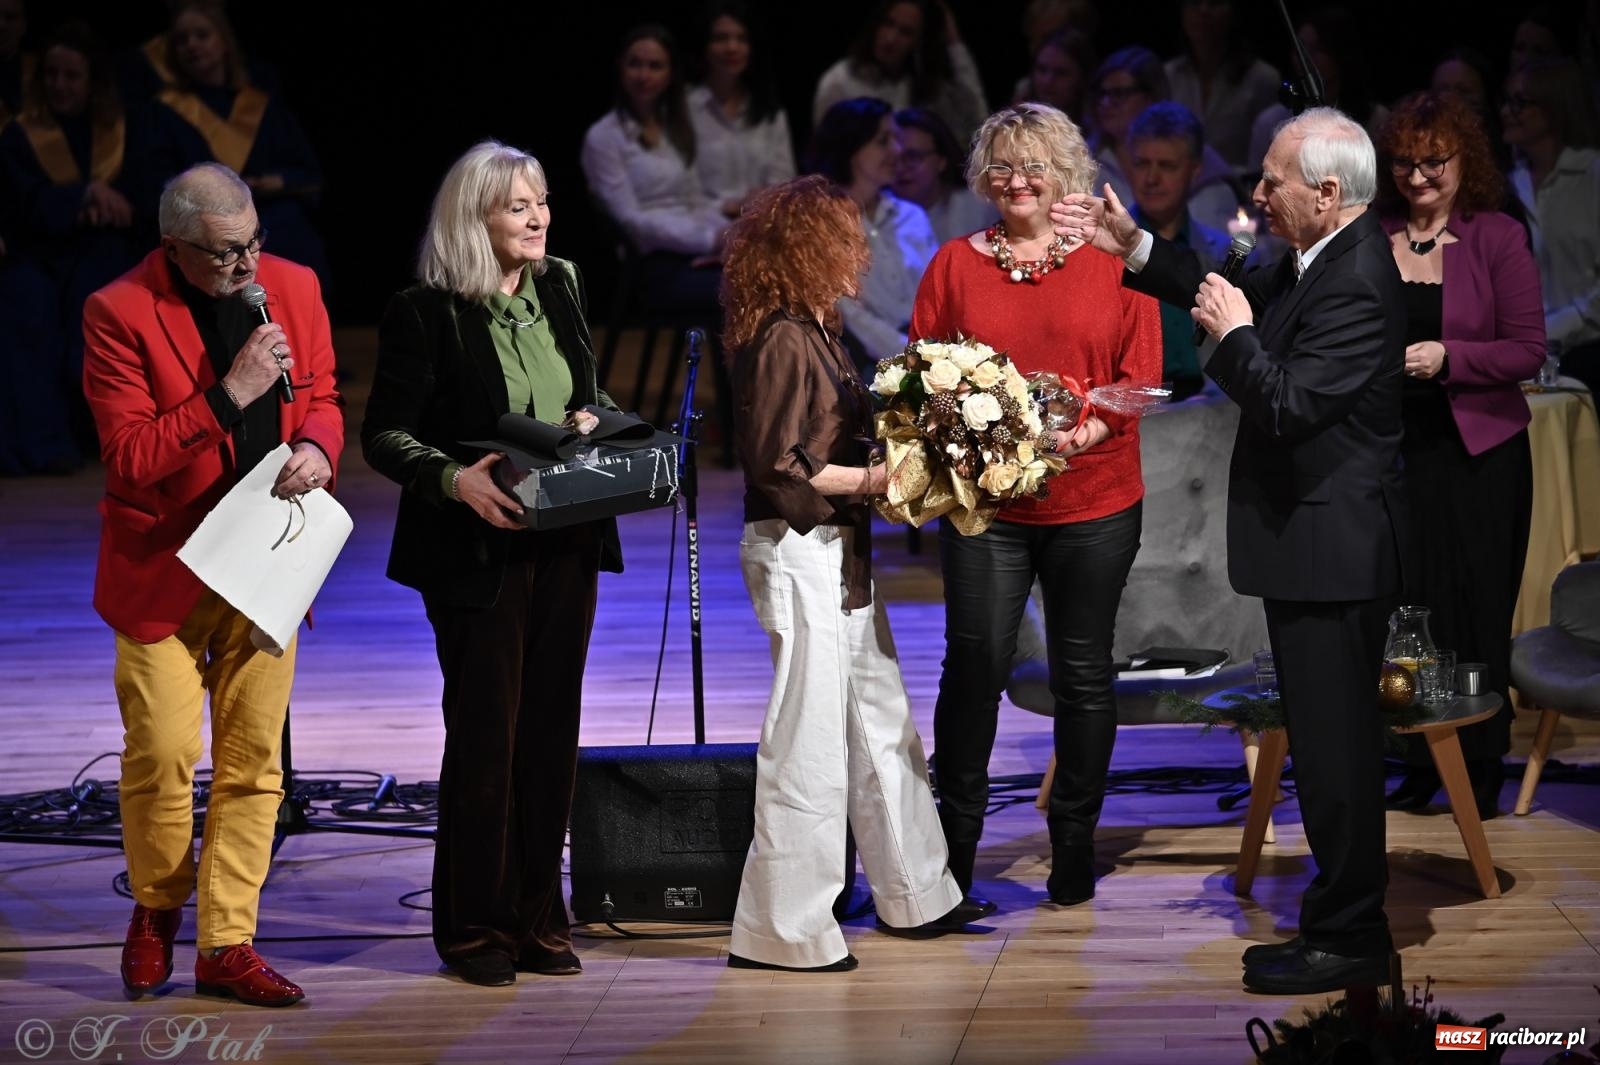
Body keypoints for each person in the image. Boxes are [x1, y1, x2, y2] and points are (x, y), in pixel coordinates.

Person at [1054, 107, 1407, 995]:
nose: (1256, 193)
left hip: (1335, 553)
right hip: (1306, 550)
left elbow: (1286, 405)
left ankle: (1354, 936)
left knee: (1338, 757)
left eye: (1273, 180)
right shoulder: (1309, 256)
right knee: (1324, 751)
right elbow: (1215, 278)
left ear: (1328, 194)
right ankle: (1337, 920)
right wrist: (1130, 246)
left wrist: (1238, 334)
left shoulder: (1359, 279)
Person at [81, 162, 342, 1006]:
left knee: (253, 761)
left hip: (266, 560)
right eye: (225, 254)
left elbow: (327, 397)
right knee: (161, 752)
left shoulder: (293, 286)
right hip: (165, 562)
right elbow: (130, 461)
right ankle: (157, 905)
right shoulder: (118, 311)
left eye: (253, 243)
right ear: (174, 247)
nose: (246, 267)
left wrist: (320, 449)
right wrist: (231, 393)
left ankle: (228, 940)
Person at [362, 140, 620, 989]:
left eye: (542, 200)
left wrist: (603, 421)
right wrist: (452, 478)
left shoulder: (563, 285)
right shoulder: (425, 310)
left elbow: (589, 391)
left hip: (567, 537)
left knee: (551, 733)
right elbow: (386, 435)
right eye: (517, 205)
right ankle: (476, 926)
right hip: (478, 547)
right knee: (486, 738)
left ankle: (542, 918)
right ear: (476, 219)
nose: (539, 216)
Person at [724, 174, 989, 973]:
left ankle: (919, 891)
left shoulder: (818, 329)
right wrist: (883, 482)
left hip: (836, 553)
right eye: (845, 241)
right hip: (798, 546)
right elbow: (781, 467)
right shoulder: (779, 337)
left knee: (877, 722)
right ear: (808, 250)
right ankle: (784, 928)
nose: (860, 255)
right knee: (806, 741)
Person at [911, 103, 1162, 910]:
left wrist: (1084, 432)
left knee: (1083, 673)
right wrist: (971, 441)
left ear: (1067, 174)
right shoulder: (954, 263)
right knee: (974, 662)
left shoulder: (1115, 257)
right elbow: (923, 371)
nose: (1017, 181)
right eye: (1001, 166)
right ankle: (953, 851)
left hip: (1094, 497)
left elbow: (1145, 377)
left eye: (1035, 165)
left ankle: (1074, 847)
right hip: (988, 505)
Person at [1374, 93, 1546, 820]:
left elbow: (1527, 350)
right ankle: (1415, 755)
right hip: (1396, 452)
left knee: (1475, 606)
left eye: (1434, 163)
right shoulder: (1372, 233)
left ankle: (1480, 762)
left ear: (1463, 160)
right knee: (1408, 611)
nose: (1419, 177)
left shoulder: (1498, 236)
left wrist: (1450, 357)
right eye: (1406, 163)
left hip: (1480, 453)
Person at [0, 20, 143, 473]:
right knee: (27, 304)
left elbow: (141, 197)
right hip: (37, 254)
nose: (59, 85)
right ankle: (42, 446)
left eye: (71, 76)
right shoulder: (22, 135)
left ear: (93, 81)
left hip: (101, 253)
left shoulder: (124, 129)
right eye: (51, 75)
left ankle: (103, 438)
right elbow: (16, 205)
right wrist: (81, 197)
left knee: (102, 302)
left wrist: (104, 203)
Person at [145, 1, 327, 286]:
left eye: (202, 35)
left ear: (224, 41)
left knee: (293, 235)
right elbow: (158, 183)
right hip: (205, 224)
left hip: (270, 212)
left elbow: (305, 170)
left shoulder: (261, 104)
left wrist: (274, 182)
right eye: (182, 40)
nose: (191, 45)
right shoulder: (165, 112)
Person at [805, 97, 939, 369]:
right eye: (883, 141)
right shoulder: (822, 223)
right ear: (851, 148)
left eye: (896, 139)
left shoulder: (912, 215)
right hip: (868, 365)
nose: (897, 150)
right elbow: (850, 315)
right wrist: (911, 358)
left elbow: (939, 293)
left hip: (931, 355)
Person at [1124, 101, 1241, 396]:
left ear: (1195, 171)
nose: (1151, 179)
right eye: (1142, 164)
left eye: (1167, 166)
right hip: (1133, 404)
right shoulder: (1107, 251)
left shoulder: (1221, 252)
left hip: (1208, 406)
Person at [1503, 57, 1600, 395]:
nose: (1506, 112)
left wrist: (1560, 324)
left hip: (1589, 348)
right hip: (1525, 351)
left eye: (1521, 102)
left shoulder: (1592, 175)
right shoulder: (1508, 184)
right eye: (1507, 100)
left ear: (1555, 108)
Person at [1086, 47, 1239, 234]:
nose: (1106, 103)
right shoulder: (1086, 160)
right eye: (1102, 94)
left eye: (1120, 94)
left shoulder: (1202, 165)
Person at [812, 0, 988, 143]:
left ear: (919, 42)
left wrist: (954, 42)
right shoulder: (840, 81)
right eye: (888, 24)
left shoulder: (919, 86)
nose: (891, 39)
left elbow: (977, 120)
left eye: (905, 32)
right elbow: (824, 152)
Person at [687, 2, 796, 219]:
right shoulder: (685, 108)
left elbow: (784, 179)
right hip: (702, 227)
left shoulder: (770, 111)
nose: (732, 48)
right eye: (721, 38)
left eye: (741, 39)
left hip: (761, 224)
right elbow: (682, 187)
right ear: (705, 45)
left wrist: (762, 199)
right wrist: (726, 207)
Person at [1163, 0, 1281, 178]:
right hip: (1178, 192)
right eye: (1195, 3)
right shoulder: (1168, 75)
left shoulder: (1262, 78)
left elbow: (1269, 156)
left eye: (1214, 2)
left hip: (1242, 193)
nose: (1204, 10)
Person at [891, 106, 995, 242]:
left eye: (913, 157)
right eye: (894, 158)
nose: (902, 167)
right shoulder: (877, 216)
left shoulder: (979, 207)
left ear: (941, 161)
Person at [1012, 27, 1097, 125]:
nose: (1047, 81)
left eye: (1061, 73)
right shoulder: (1017, 118)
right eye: (1042, 69)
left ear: (1082, 78)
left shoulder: (1097, 132)